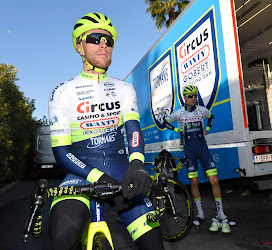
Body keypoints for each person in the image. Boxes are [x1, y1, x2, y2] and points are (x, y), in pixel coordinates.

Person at [48, 12, 165, 249]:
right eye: (95, 38)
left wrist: (137, 165)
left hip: (122, 169)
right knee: (63, 233)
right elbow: (61, 152)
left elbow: (133, 129)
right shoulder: (62, 92)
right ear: (80, 47)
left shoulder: (124, 88)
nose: (104, 44)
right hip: (79, 174)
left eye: (109, 40)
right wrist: (100, 178)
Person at [163, 85, 235, 234]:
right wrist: (177, 130)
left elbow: (211, 117)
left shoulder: (202, 110)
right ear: (184, 97)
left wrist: (207, 130)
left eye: (195, 95)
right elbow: (165, 122)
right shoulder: (179, 113)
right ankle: (200, 213)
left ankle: (221, 213)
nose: (193, 98)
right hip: (189, 151)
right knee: (194, 182)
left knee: (214, 180)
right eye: (190, 96)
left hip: (203, 149)